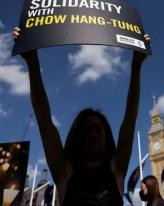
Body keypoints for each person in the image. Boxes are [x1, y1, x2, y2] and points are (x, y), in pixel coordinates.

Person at [13, 27, 150, 205]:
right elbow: (45, 122)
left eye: (97, 129)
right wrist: (32, 61)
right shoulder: (64, 170)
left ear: (106, 133)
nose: (92, 134)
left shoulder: (117, 167)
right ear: (78, 136)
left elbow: (130, 119)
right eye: (86, 130)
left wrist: (137, 65)